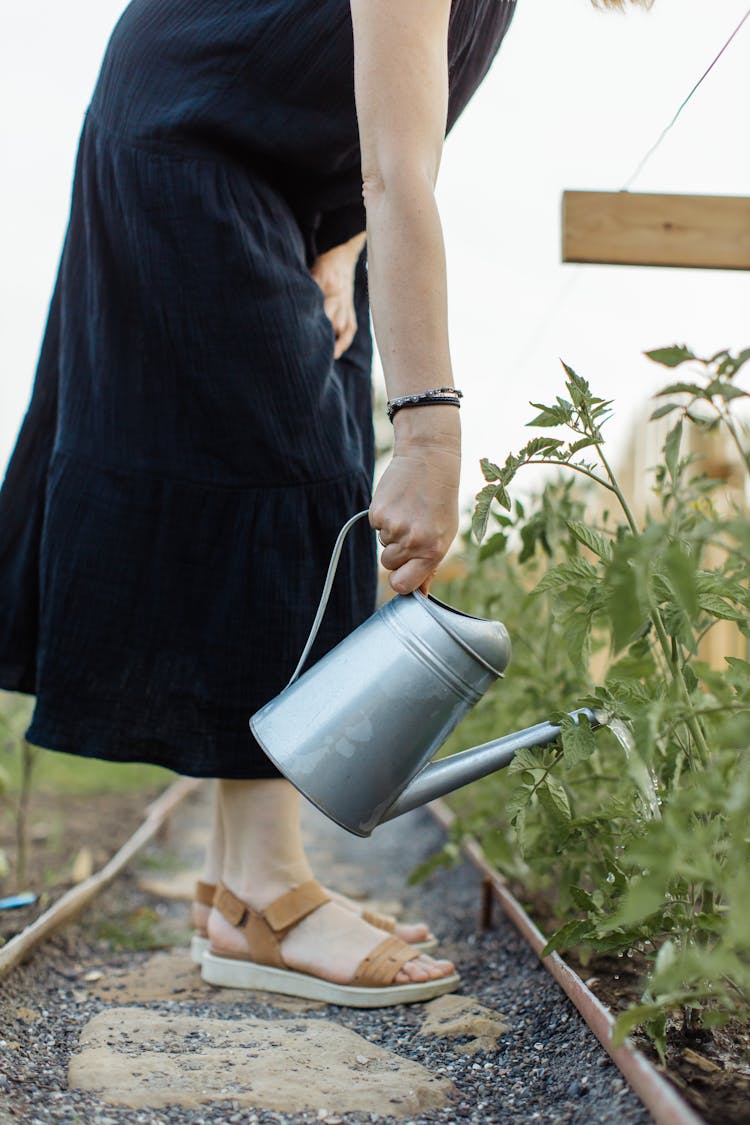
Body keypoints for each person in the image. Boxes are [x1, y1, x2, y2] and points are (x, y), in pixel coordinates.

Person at [0, 0, 648, 1006]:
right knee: (281, 471)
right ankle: (269, 891)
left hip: (274, 174)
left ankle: (238, 890)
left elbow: (366, 126)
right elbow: (400, 169)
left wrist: (337, 246)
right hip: (188, 136)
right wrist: (430, 434)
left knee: (302, 454)